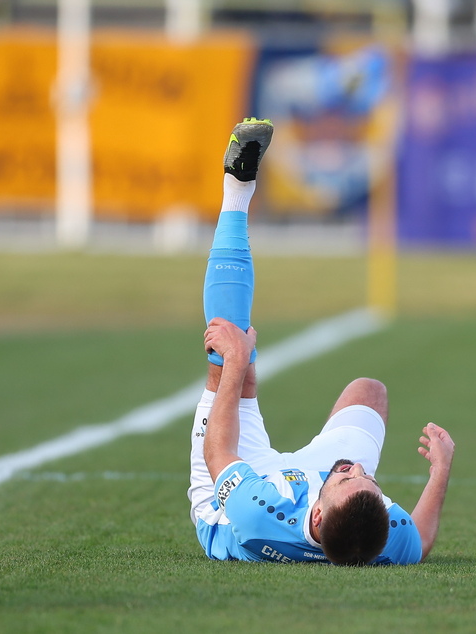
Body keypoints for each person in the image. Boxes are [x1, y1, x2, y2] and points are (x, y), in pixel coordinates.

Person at [188, 118, 456, 565]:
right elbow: (421, 540)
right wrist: (440, 472)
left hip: (226, 492)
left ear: (315, 514)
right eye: (370, 479)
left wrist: (236, 362)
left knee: (230, 358)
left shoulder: (258, 515)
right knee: (369, 392)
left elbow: (218, 454)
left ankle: (237, 186)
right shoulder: (382, 536)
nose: (360, 470)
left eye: (352, 479)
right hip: (313, 485)